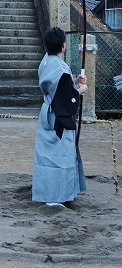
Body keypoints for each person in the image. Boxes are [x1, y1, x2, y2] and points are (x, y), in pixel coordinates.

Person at [32, 27, 87, 206]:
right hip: (58, 117)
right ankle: (56, 197)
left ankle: (47, 193)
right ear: (63, 45)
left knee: (46, 156)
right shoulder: (61, 67)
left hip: (47, 113)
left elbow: (58, 86)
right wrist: (80, 91)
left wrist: (73, 82)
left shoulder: (46, 61)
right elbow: (66, 99)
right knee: (59, 156)